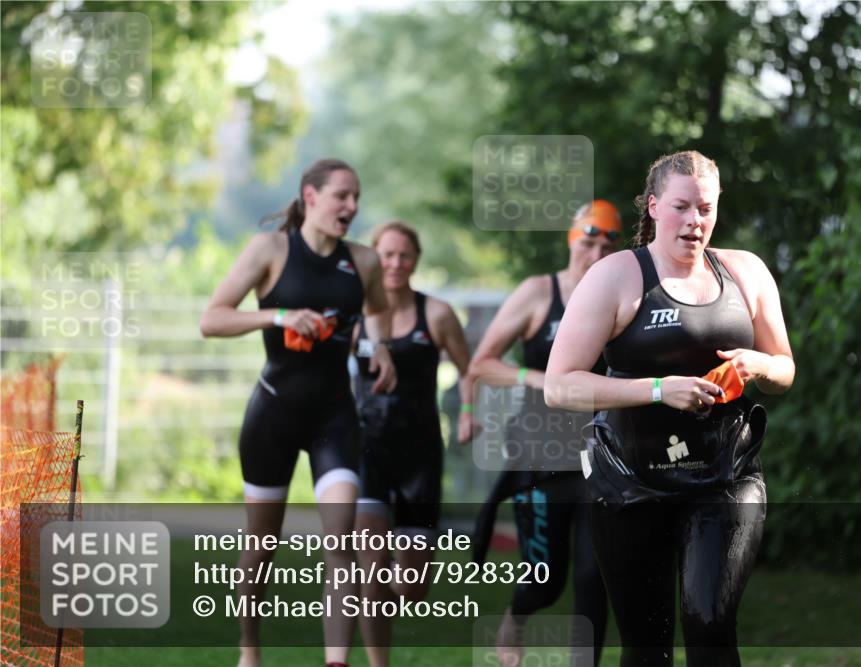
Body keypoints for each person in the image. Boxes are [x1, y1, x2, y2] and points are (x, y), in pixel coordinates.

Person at [544, 150, 795, 666]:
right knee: (646, 643)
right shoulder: (615, 276)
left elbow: (784, 370)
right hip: (630, 480)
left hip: (725, 475)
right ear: (655, 206)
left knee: (710, 622)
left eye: (706, 208)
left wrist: (761, 365)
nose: (694, 221)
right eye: (681, 207)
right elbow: (560, 386)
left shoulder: (746, 271)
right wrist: (658, 389)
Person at [200, 158, 396, 667]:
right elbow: (212, 319)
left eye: (356, 198)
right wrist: (279, 315)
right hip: (273, 417)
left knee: (341, 539)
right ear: (311, 197)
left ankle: (336, 662)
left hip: (335, 417)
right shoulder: (270, 250)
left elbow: (378, 311)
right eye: (342, 196)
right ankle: (249, 649)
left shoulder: (364, 261)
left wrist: (379, 347)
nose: (352, 207)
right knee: (262, 545)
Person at [469, 201, 623, 667]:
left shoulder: (622, 296)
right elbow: (482, 364)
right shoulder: (539, 293)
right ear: (571, 240)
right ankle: (517, 617)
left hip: (599, 454)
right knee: (545, 581)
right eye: (588, 243)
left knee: (595, 574)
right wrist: (538, 378)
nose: (595, 255)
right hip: (540, 455)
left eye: (606, 247)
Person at [351, 220, 475, 667]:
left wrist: (468, 412)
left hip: (419, 454)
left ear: (415, 260)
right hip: (367, 448)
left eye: (404, 255)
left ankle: (384, 591)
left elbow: (469, 370)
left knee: (410, 586)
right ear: (374, 258)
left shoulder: (436, 314)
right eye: (387, 254)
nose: (395, 263)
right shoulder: (356, 316)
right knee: (371, 565)